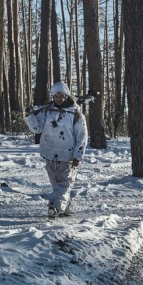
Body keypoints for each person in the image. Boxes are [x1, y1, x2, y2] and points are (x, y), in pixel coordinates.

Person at [25, 82, 89, 218]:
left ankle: (55, 207)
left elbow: (82, 136)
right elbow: (37, 128)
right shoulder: (47, 111)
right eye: (56, 96)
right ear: (52, 97)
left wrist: (78, 155)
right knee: (57, 185)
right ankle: (66, 208)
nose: (58, 99)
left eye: (61, 96)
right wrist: (30, 116)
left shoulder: (75, 114)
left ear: (66, 96)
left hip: (68, 156)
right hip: (50, 154)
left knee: (65, 184)